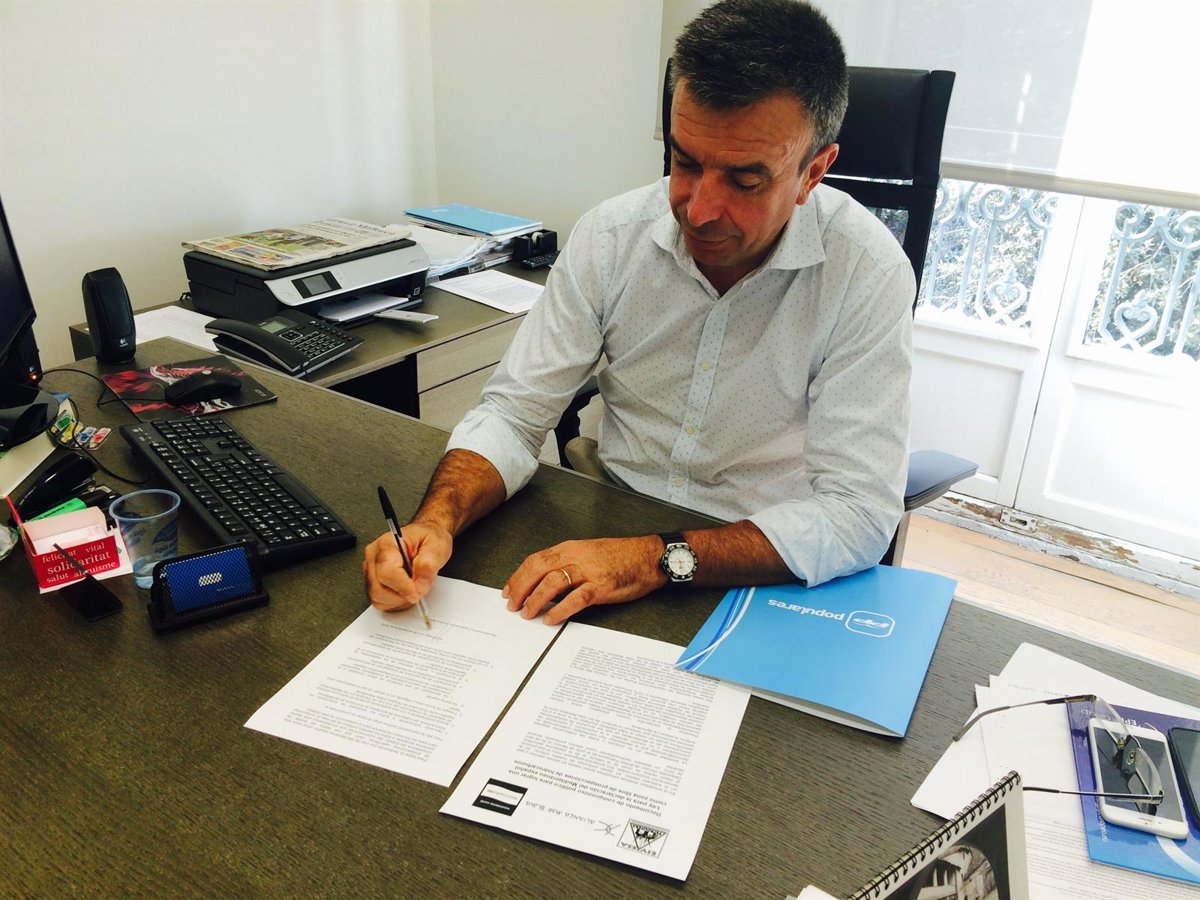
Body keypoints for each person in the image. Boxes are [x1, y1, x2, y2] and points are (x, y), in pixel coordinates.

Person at [364, 0, 914, 626]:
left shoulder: (866, 273)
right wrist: (434, 523)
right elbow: (514, 416)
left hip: (759, 562)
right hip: (609, 524)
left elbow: (857, 513)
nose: (698, 210)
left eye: (744, 181)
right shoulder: (611, 237)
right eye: (685, 162)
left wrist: (652, 559)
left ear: (813, 172)